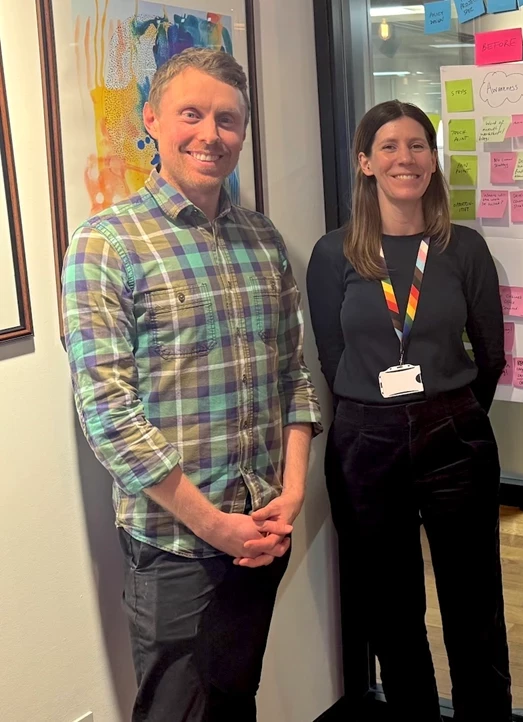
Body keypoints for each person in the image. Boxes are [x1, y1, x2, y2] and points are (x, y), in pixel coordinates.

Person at [61, 48, 322, 721]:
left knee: (236, 702)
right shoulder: (107, 245)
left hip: (261, 530)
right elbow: (109, 418)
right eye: (192, 113)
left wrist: (291, 494)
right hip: (175, 548)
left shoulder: (263, 240)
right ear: (152, 119)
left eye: (228, 119)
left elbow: (293, 378)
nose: (211, 133)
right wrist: (216, 527)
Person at [306, 100, 511, 721]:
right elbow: (333, 357)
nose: (406, 158)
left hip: (454, 432)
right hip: (366, 443)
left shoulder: (463, 248)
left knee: (473, 604)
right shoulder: (333, 253)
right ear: (365, 162)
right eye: (390, 146)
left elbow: (492, 353)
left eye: (418, 145)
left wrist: (449, 412)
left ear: (433, 159)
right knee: (391, 610)